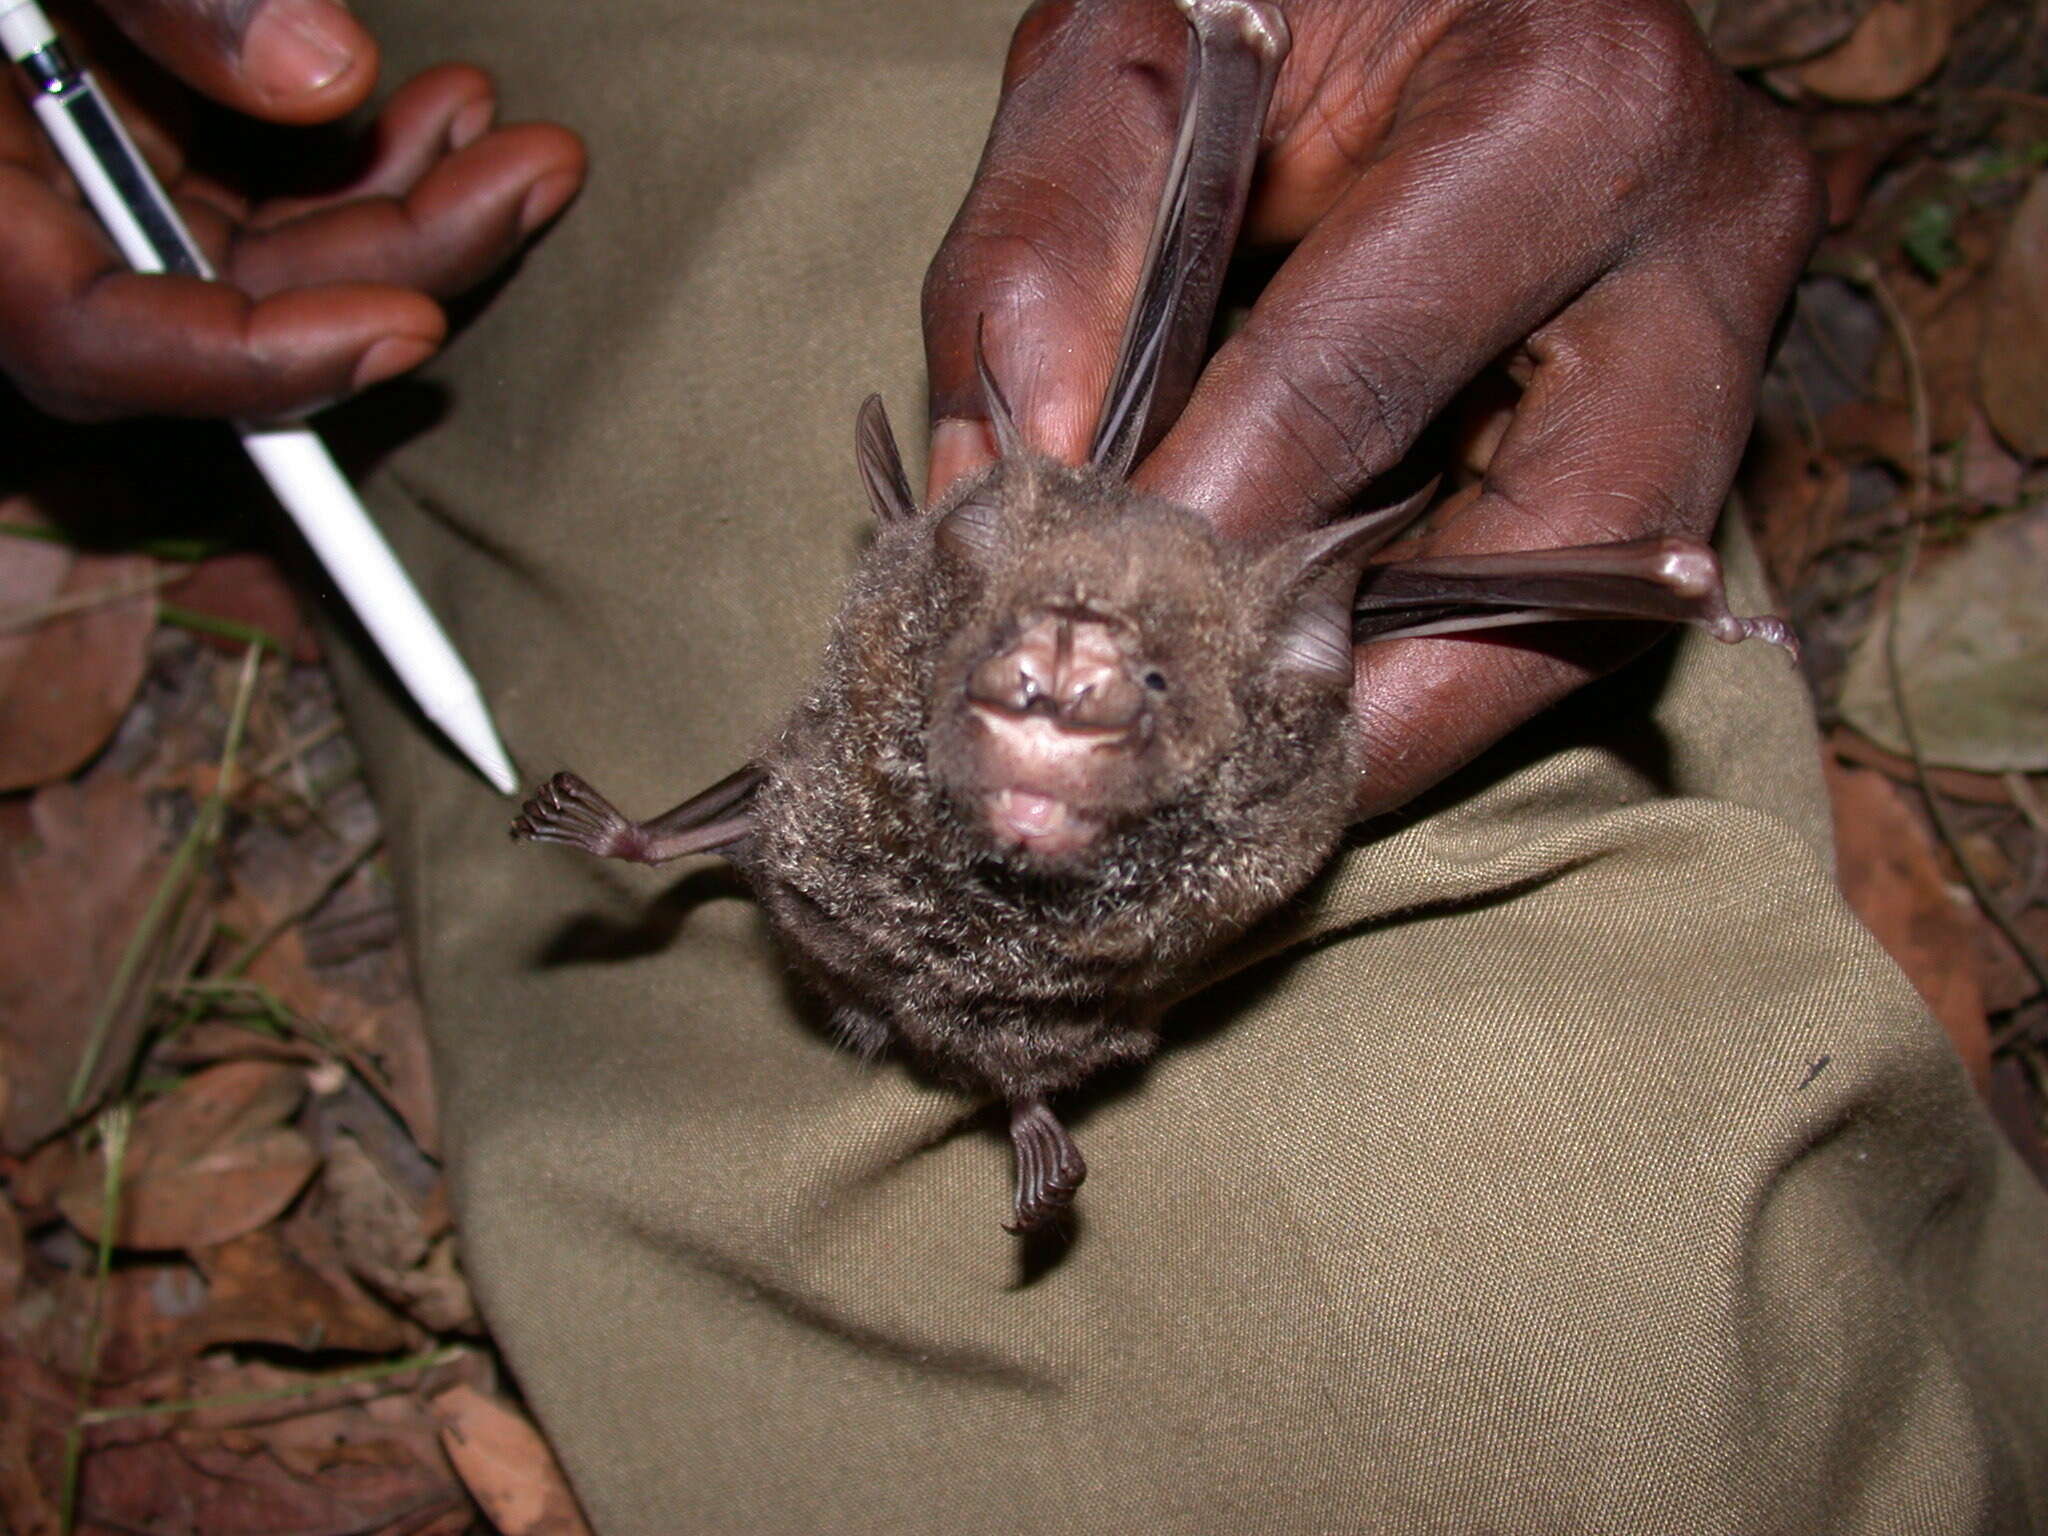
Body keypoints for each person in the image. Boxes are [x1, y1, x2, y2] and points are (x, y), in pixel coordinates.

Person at [7, 0, 2046, 1528]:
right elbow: (792, 804)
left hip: (1156, 509)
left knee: (1557, 1312)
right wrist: (644, 829)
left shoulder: (1201, 735)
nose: (1057, 682)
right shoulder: (916, 688)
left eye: (1073, 703)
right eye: (1048, 678)